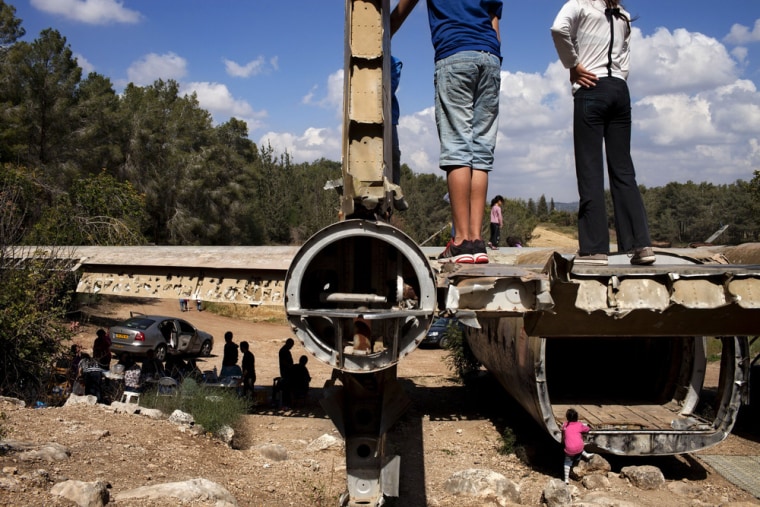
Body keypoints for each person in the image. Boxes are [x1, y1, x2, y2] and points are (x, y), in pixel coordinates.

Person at [392, 0, 502, 264]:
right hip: (489, 59)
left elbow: (398, 14)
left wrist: (381, 36)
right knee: (481, 153)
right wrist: (494, 54)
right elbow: (494, 18)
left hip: (455, 55)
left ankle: (461, 241)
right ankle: (477, 241)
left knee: (458, 148)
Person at [551, 0, 655, 266]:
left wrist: (572, 64)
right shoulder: (624, 14)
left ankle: (595, 249)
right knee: (623, 169)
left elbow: (558, 29)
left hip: (591, 86)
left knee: (590, 169)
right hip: (620, 89)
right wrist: (618, 79)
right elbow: (625, 57)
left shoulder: (580, 4)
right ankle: (641, 245)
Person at [561, 408, 594, 484]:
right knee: (579, 446)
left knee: (567, 463)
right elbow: (587, 429)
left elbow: (563, 434)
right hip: (579, 447)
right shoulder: (579, 425)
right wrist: (588, 427)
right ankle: (586, 455)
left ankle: (566, 479)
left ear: (567, 417)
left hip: (569, 449)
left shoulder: (565, 425)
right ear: (577, 417)